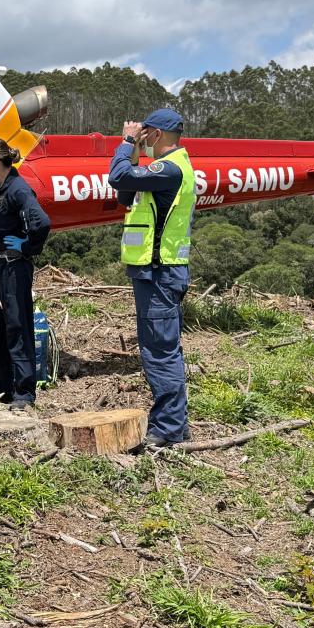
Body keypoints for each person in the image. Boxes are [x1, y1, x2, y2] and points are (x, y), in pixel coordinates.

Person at [108, 107, 196, 448]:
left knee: (160, 351)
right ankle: (173, 423)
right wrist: (133, 151)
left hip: (161, 273)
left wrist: (126, 141)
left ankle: (169, 428)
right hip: (154, 272)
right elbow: (125, 193)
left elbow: (117, 177)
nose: (140, 142)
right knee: (156, 348)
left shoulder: (170, 169)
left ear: (155, 135)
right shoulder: (160, 170)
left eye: (145, 136)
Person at [0, 138, 50, 410]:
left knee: (18, 324)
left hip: (13, 266)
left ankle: (24, 392)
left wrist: (27, 246)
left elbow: (41, 222)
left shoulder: (18, 189)